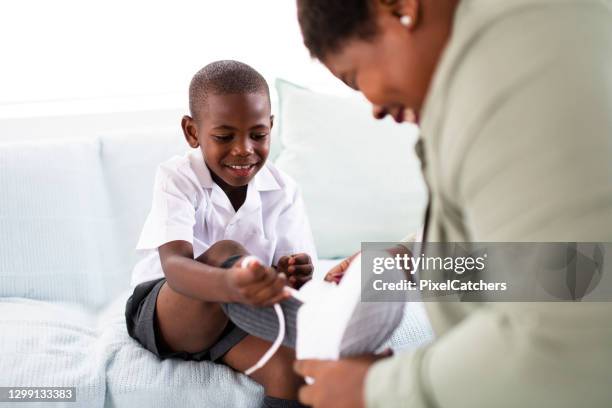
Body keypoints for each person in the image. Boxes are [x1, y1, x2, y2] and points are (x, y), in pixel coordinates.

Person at [293, 0, 612, 407]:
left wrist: (373, 390)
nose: (373, 107)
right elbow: (537, 267)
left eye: (355, 77)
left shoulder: (509, 62)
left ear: (398, 7)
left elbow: (573, 330)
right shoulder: (510, 46)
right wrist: (417, 256)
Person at [125, 60, 317, 408]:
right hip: (167, 312)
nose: (244, 149)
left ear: (271, 127)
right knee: (225, 251)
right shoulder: (177, 178)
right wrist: (231, 285)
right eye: (224, 136)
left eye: (258, 135)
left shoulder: (284, 190)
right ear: (192, 132)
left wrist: (294, 271)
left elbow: (285, 275)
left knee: (292, 371)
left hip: (235, 319)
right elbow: (175, 267)